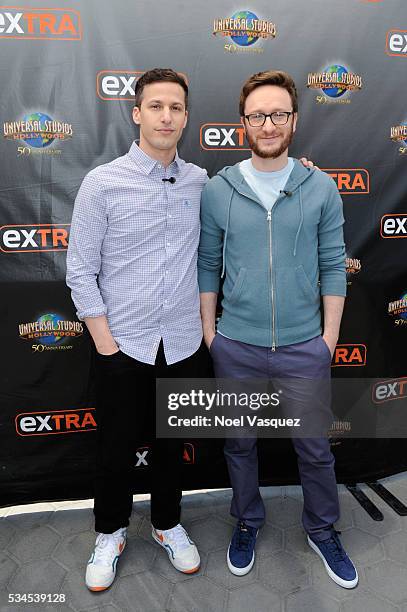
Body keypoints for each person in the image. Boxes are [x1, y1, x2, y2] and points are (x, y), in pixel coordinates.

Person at [198, 70, 358, 589]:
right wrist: (210, 333)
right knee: (239, 444)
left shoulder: (320, 187)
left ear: (294, 120)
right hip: (236, 345)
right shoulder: (220, 189)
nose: (268, 125)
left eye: (279, 114)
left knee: (313, 446)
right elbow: (207, 264)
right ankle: (247, 520)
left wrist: (327, 339)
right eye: (258, 115)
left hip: (303, 346)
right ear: (244, 122)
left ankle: (322, 528)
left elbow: (335, 264)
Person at [66, 68, 212, 591]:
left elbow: (253, 197)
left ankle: (167, 524)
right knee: (113, 450)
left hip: (182, 343)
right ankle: (110, 532)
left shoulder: (202, 183)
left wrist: (300, 171)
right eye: (156, 106)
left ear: (187, 117)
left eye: (176, 107)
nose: (167, 116)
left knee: (174, 447)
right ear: (137, 113)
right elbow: (80, 270)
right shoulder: (103, 182)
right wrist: (106, 343)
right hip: (121, 345)